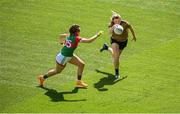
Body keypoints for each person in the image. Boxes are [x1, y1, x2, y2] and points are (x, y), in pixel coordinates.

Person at [38, 24, 103, 88]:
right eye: (79, 31)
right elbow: (89, 41)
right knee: (57, 71)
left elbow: (60, 36)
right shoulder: (76, 38)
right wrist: (97, 35)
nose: (80, 32)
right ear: (76, 32)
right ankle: (42, 78)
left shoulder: (69, 35)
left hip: (68, 55)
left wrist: (61, 43)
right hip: (63, 57)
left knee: (81, 64)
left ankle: (78, 82)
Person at [100, 11, 136, 79]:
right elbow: (109, 32)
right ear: (113, 21)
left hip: (123, 42)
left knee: (116, 56)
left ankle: (107, 48)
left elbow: (131, 28)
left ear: (120, 19)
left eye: (119, 21)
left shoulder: (125, 23)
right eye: (116, 21)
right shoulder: (112, 25)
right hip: (114, 41)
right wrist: (113, 27)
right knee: (116, 57)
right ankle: (117, 72)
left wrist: (134, 36)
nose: (117, 22)